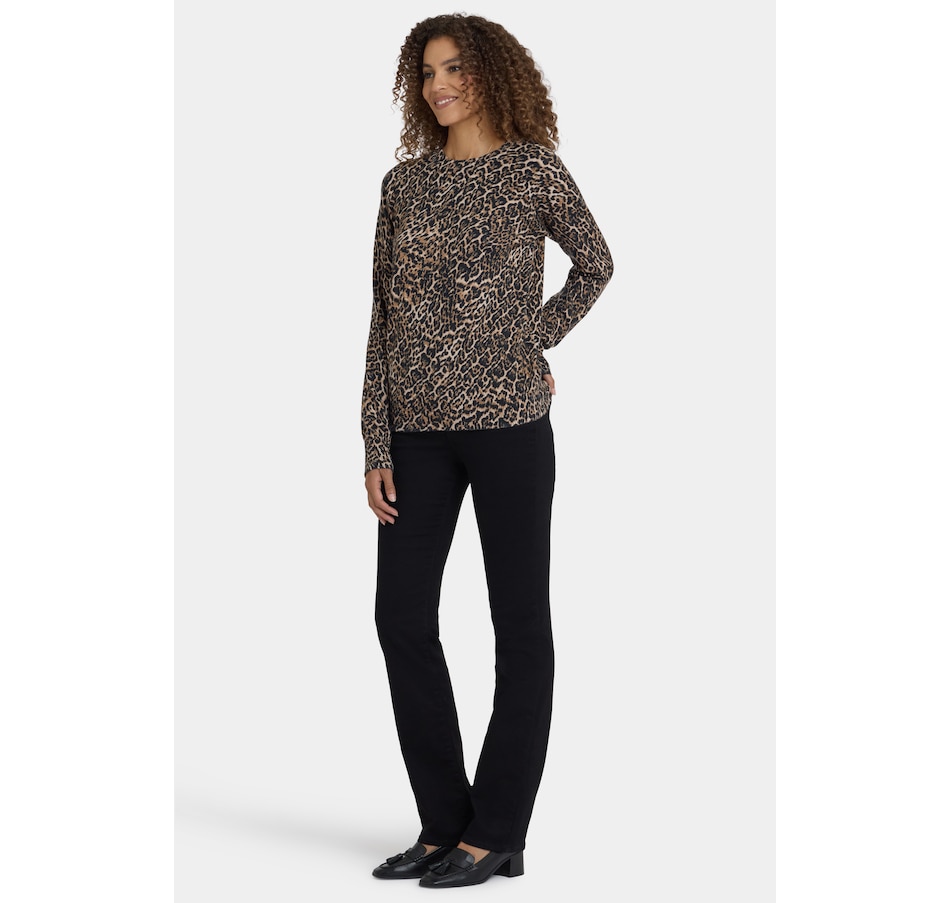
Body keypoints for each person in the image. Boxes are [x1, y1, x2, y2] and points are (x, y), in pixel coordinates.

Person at [362, 13, 613, 889]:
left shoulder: (532, 169)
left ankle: (499, 827)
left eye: (455, 68)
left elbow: (595, 263)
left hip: (510, 426)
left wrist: (530, 340)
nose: (439, 85)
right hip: (415, 435)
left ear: (491, 74)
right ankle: (445, 821)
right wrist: (374, 438)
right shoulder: (404, 184)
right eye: (427, 72)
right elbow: (381, 317)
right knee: (401, 618)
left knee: (519, 624)